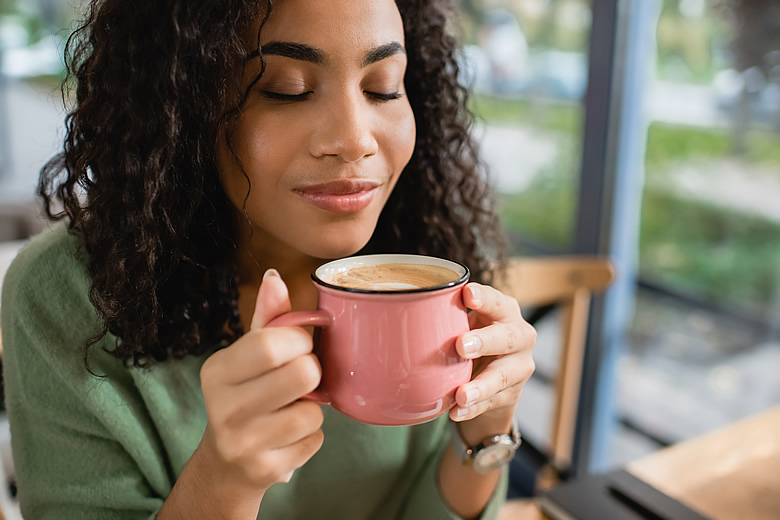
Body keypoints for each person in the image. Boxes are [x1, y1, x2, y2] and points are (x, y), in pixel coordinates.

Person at [0, 0, 536, 518]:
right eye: (287, 90)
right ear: (183, 104)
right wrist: (222, 481)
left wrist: (488, 427)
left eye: (383, 87)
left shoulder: (431, 261)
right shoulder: (69, 294)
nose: (353, 141)